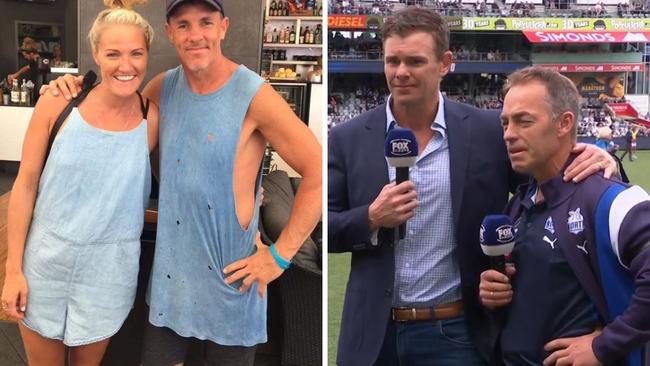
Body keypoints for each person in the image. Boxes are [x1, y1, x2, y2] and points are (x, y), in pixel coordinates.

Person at [328, 7, 617, 366]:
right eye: (392, 61)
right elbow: (324, 228)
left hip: (457, 332)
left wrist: (602, 160)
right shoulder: (348, 138)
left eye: (415, 61)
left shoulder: (488, 132)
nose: (401, 72)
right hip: (373, 337)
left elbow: (551, 184)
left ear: (446, 63)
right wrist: (370, 218)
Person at [46, 0, 321, 365]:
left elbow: (318, 170)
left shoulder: (255, 95)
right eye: (184, 25)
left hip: (232, 283)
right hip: (172, 283)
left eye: (205, 23)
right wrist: (73, 88)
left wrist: (279, 256)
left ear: (223, 26)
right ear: (170, 32)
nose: (196, 35)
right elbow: (115, 110)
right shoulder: (163, 89)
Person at [1, 1, 158, 365]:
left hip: (109, 272)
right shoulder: (58, 103)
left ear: (148, 54)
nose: (126, 65)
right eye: (113, 53)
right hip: (46, 265)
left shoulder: (152, 119)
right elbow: (24, 185)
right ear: (96, 54)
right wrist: (13, 272)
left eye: (136, 53)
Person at [480, 66, 650, 366]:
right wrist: (495, 291)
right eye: (505, 122)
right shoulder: (519, 205)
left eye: (524, 121)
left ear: (564, 123)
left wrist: (605, 346)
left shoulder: (612, 201)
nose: (508, 134)